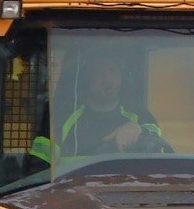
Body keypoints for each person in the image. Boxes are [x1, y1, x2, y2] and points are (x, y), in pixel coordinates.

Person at [31, 54, 162, 170]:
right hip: (72, 194)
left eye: (113, 72)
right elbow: (39, 171)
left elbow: (157, 147)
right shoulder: (61, 118)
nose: (107, 79)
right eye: (99, 73)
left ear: (121, 78)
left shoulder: (139, 116)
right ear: (87, 79)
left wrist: (139, 130)